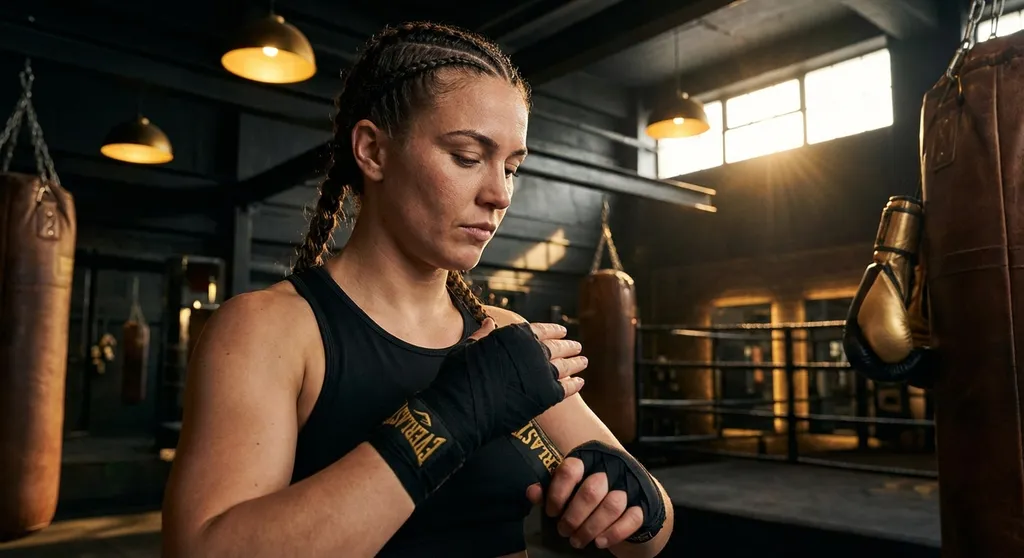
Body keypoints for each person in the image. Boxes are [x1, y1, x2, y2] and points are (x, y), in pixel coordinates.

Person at [161, 21, 673, 558]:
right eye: (467, 157)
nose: (500, 194)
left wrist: (631, 504)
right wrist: (448, 418)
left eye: (512, 167)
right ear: (373, 151)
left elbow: (651, 538)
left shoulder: (503, 335)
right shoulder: (272, 329)